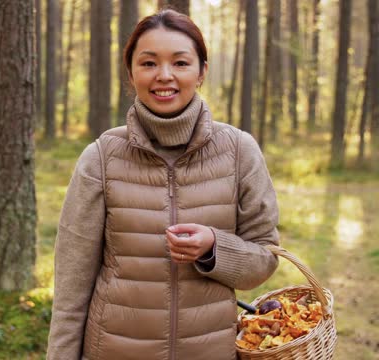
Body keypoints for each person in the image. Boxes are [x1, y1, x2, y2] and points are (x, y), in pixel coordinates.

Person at [46, 9, 280, 360]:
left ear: (201, 71)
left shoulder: (239, 151)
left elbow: (265, 257)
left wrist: (215, 247)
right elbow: (71, 288)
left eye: (181, 63)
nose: (164, 76)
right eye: (149, 63)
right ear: (131, 73)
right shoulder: (101, 158)